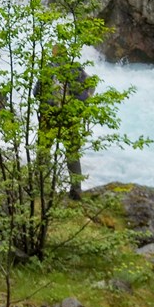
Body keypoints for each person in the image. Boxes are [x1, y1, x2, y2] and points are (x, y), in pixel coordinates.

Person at [39, 51, 95, 199]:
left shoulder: (48, 69)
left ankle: (43, 189)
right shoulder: (76, 70)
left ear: (54, 54)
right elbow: (88, 89)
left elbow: (36, 92)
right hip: (70, 118)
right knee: (72, 154)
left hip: (49, 118)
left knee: (44, 151)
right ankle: (76, 190)